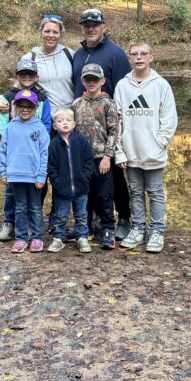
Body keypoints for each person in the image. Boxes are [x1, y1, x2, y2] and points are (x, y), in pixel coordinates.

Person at [72, 7, 132, 239]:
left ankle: (124, 217)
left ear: (103, 27)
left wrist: (118, 128)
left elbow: (123, 90)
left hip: (108, 124)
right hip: (84, 127)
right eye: (86, 25)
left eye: (94, 25)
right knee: (90, 175)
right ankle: (97, 217)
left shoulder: (115, 54)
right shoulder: (78, 54)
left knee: (114, 173)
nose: (90, 28)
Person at [113, 41, 177, 254]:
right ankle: (138, 228)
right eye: (134, 54)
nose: (139, 58)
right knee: (136, 191)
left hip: (153, 151)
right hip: (131, 151)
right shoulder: (122, 86)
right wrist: (119, 150)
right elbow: (116, 120)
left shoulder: (161, 85)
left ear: (152, 56)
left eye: (143, 54)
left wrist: (160, 142)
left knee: (156, 192)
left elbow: (169, 119)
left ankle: (157, 231)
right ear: (129, 58)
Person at [0, 58, 52, 242]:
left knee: (36, 189)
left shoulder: (42, 99)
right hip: (15, 152)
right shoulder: (6, 97)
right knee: (11, 191)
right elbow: (3, 127)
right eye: (23, 74)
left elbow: (46, 124)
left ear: (36, 77)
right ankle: (9, 222)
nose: (26, 77)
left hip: (33, 148)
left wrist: (35, 139)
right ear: (16, 76)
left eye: (30, 74)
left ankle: (33, 225)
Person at [71, 63, 120, 250]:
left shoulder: (108, 103)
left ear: (102, 81)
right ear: (83, 81)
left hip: (102, 158)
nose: (91, 83)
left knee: (104, 195)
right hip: (82, 159)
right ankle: (86, 228)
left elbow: (113, 130)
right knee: (84, 194)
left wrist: (108, 156)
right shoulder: (76, 104)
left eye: (95, 79)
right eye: (88, 79)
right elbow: (71, 131)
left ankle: (108, 230)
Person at [0, 15, 74, 112]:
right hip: (44, 115)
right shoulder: (30, 58)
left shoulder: (70, 54)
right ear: (41, 32)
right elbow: (19, 85)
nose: (51, 35)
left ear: (60, 34)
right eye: (47, 31)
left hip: (69, 116)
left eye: (55, 32)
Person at [45, 108, 94, 254]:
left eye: (68, 120)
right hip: (62, 189)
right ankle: (58, 238)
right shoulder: (53, 144)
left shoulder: (81, 141)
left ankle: (82, 237)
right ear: (55, 126)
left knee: (81, 215)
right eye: (60, 121)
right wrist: (56, 183)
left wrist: (85, 178)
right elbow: (51, 167)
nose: (64, 123)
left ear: (74, 124)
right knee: (60, 215)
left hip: (81, 187)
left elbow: (88, 161)